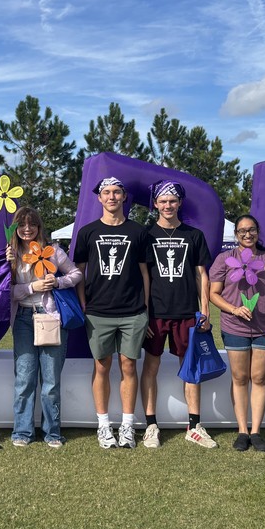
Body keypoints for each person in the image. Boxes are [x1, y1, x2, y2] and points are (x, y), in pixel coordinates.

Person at [73, 177, 151, 449]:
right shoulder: (87, 232)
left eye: (117, 192)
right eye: (106, 193)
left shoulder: (138, 231)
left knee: (129, 365)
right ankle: (103, 425)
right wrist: (83, 303)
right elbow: (78, 272)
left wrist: (146, 307)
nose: (112, 197)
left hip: (132, 311)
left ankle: (127, 426)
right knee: (101, 366)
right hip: (98, 311)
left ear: (124, 197)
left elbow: (144, 272)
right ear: (99, 198)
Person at [141, 180, 215, 449]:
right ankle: (151, 425)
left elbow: (201, 274)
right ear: (156, 204)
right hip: (157, 312)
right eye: (163, 201)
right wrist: (146, 312)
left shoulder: (194, 235)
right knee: (151, 365)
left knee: (190, 367)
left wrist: (204, 309)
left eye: (172, 201)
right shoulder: (146, 235)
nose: (168, 205)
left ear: (179, 203)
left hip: (186, 311)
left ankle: (194, 425)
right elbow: (144, 276)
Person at [209, 214, 265, 452]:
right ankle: (242, 431)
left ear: (257, 232)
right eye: (242, 231)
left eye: (252, 230)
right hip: (235, 328)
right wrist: (234, 309)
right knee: (240, 378)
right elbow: (214, 294)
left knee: (259, 378)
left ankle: (256, 431)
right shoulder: (225, 259)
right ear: (236, 234)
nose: (247, 234)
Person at [6, 207, 83, 448]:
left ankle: (52, 433)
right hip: (23, 320)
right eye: (22, 225)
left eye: (32, 225)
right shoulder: (11, 254)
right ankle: (22, 432)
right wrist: (31, 288)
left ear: (39, 227)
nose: (27, 229)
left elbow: (77, 273)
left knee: (50, 380)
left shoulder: (53, 251)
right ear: (16, 228)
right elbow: (4, 291)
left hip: (51, 319)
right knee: (25, 379)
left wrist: (57, 281)